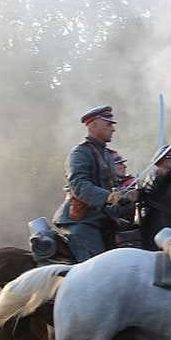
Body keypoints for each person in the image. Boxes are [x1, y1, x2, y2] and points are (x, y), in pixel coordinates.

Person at [53, 105, 132, 262]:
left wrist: (128, 197)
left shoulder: (107, 156)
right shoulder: (80, 153)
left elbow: (113, 189)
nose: (113, 129)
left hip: (102, 218)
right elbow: (79, 186)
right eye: (108, 124)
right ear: (93, 125)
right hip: (82, 221)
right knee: (97, 268)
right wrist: (110, 197)